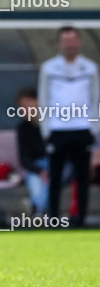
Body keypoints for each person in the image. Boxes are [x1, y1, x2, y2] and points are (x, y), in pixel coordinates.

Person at [38, 26, 100, 226]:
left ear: (79, 42)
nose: (70, 44)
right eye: (66, 40)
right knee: (55, 177)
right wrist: (46, 129)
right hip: (57, 129)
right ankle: (53, 217)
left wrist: (94, 128)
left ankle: (79, 218)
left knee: (82, 177)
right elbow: (44, 98)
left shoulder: (90, 68)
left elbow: (95, 99)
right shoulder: (49, 68)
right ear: (59, 44)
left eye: (73, 40)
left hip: (82, 129)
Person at [15, 87, 50, 215]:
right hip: (38, 167)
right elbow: (24, 159)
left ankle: (35, 208)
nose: (26, 107)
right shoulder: (23, 129)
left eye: (28, 102)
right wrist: (40, 171)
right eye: (22, 105)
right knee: (38, 181)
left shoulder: (53, 123)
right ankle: (40, 210)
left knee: (49, 178)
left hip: (60, 166)